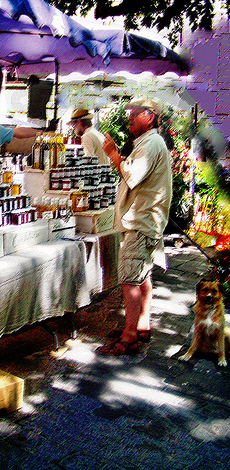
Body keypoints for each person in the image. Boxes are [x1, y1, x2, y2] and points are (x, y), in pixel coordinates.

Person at [96, 98, 173, 356]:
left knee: (130, 279)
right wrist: (119, 157)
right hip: (145, 220)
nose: (129, 117)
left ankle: (129, 337)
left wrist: (114, 155)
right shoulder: (150, 143)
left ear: (150, 117)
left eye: (135, 114)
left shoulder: (151, 143)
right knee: (141, 276)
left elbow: (132, 175)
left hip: (141, 221)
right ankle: (141, 325)